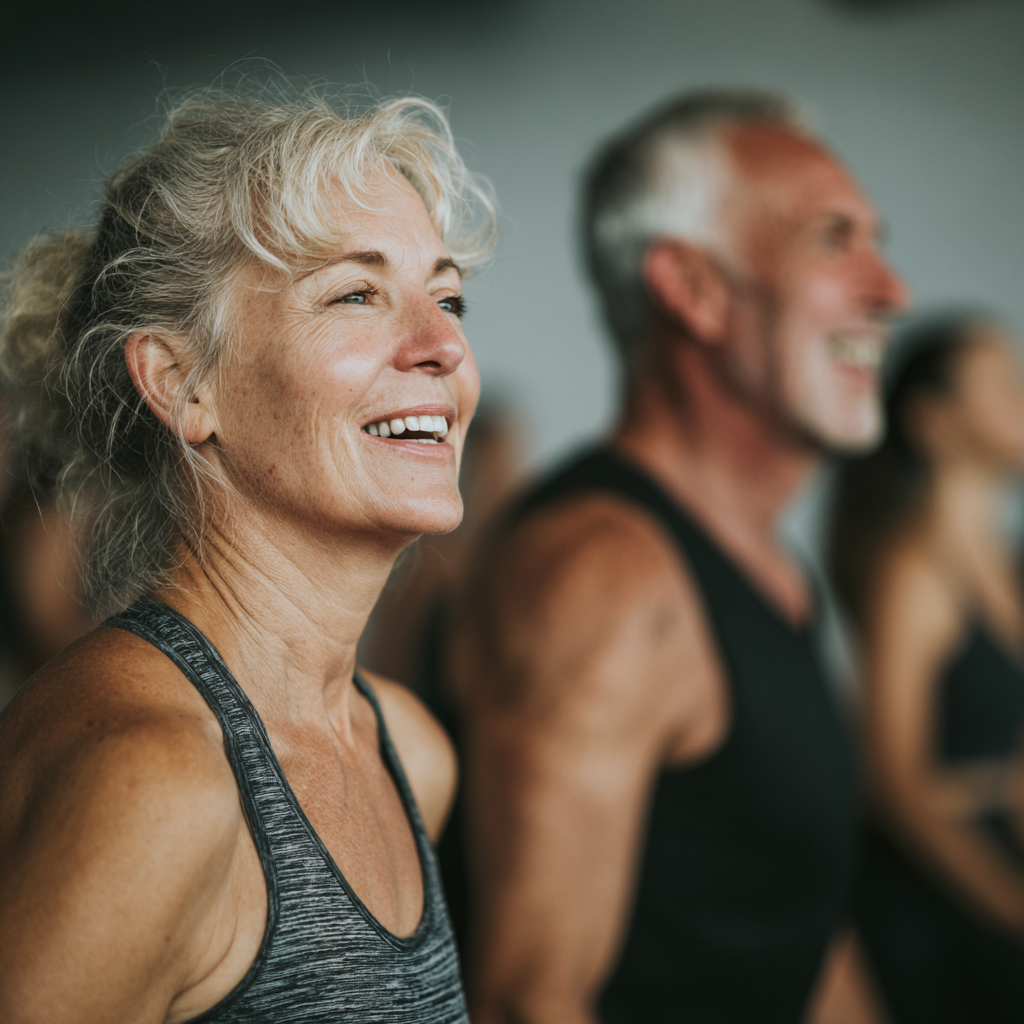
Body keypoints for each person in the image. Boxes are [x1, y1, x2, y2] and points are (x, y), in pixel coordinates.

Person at [0, 86, 494, 1022]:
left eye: (448, 295)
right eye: (357, 293)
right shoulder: (149, 783)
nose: (444, 346)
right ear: (184, 385)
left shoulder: (409, 752)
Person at [448, 89, 908, 1024]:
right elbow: (529, 999)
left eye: (877, 240)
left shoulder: (773, 568)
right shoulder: (603, 576)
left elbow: (796, 928)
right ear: (692, 289)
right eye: (834, 240)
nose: (889, 290)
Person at [829, 314, 1024, 1023]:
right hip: (935, 917)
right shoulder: (911, 569)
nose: (1022, 398)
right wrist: (1010, 902)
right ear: (933, 421)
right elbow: (896, 781)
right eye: (1002, 384)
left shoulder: (1006, 565)